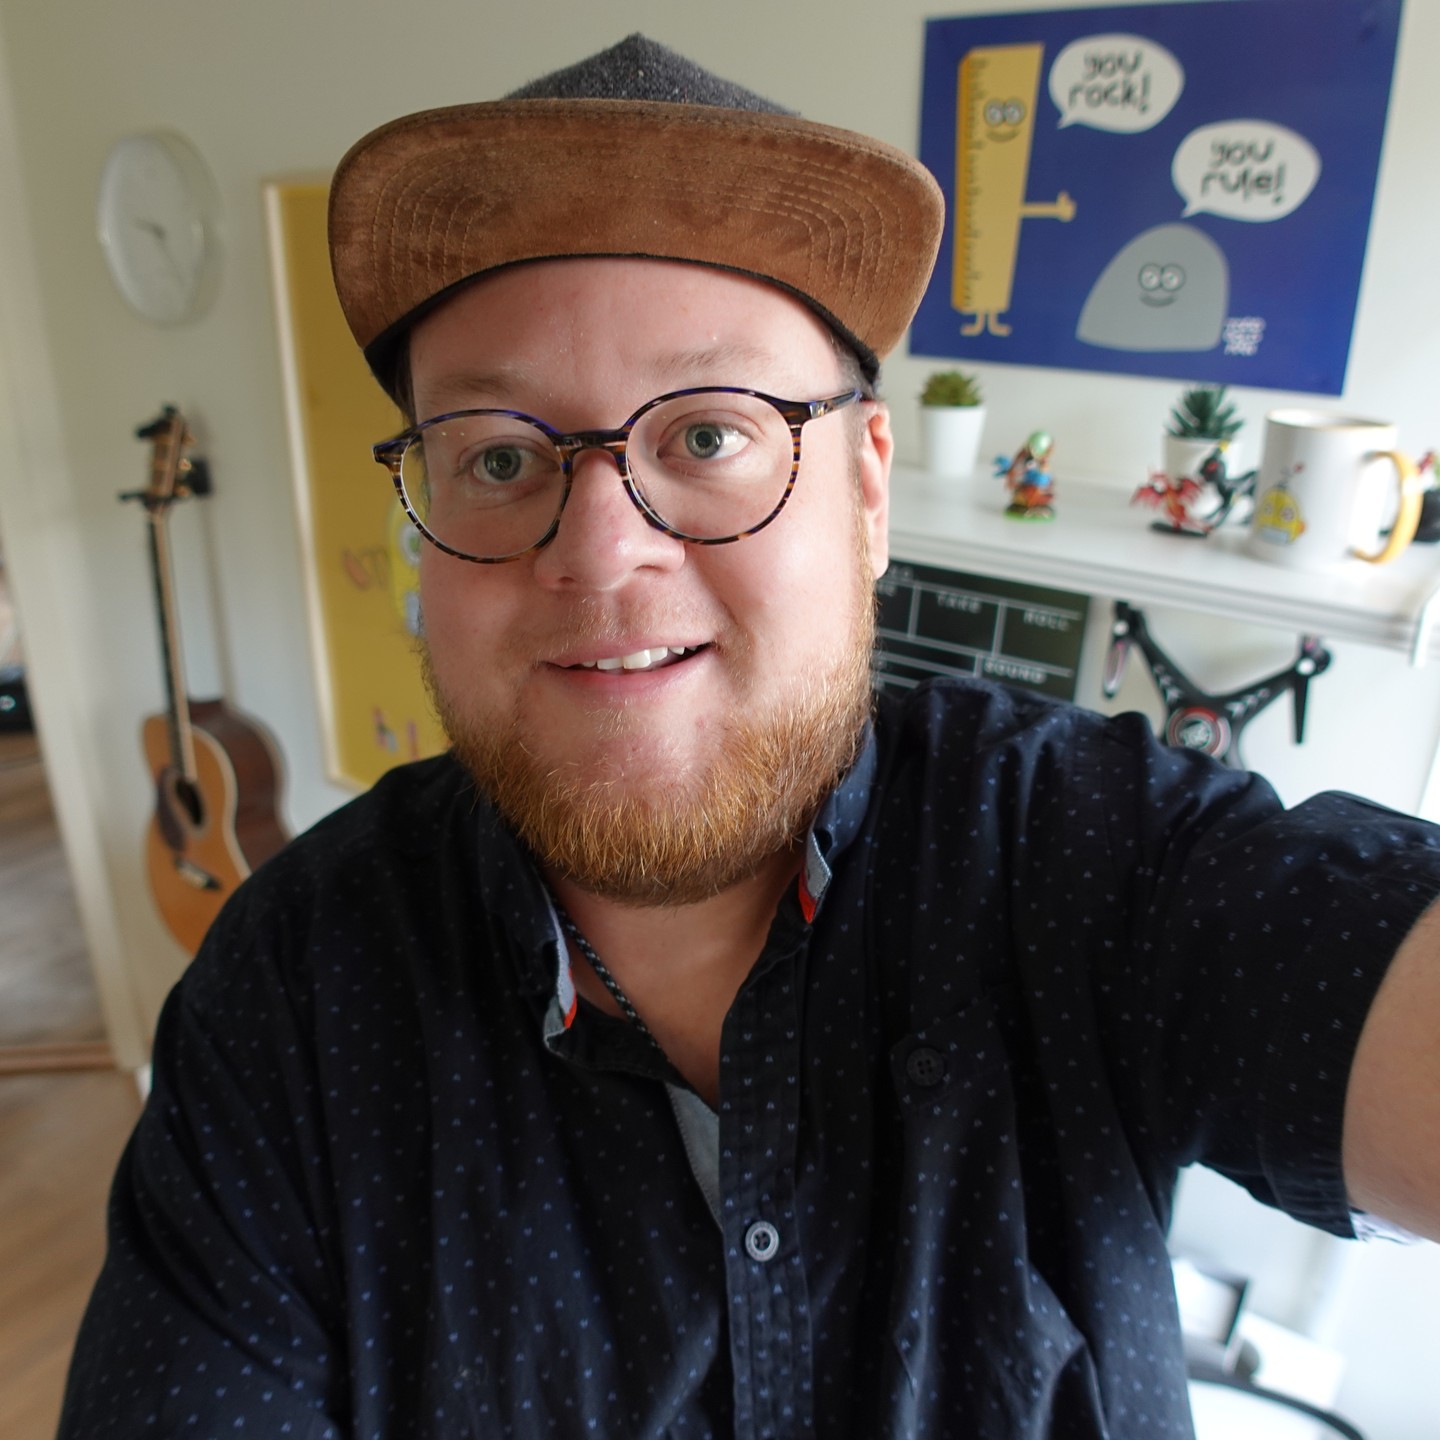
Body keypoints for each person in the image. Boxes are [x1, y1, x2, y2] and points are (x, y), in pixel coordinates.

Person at [60, 35, 1440, 1440]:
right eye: (497, 455)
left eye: (710, 436)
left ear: (867, 494)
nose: (601, 553)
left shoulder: (1088, 853)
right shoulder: (290, 996)